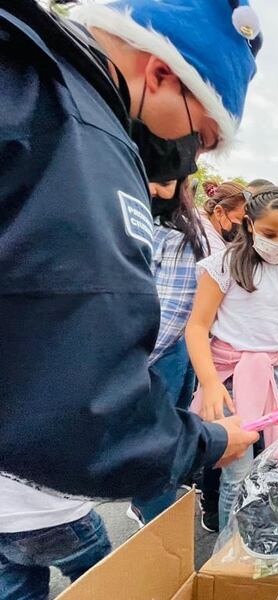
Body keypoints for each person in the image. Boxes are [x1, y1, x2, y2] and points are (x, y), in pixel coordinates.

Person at [0, 0, 259, 502]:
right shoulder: (85, 134)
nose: (192, 158)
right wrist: (201, 443)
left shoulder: (30, 70)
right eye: (200, 138)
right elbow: (84, 404)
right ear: (161, 73)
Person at [186, 186, 278, 530]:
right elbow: (197, 327)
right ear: (250, 224)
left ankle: (259, 537)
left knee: (275, 465)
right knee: (237, 473)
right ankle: (227, 550)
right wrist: (210, 383)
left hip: (273, 382)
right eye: (270, 233)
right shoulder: (224, 264)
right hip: (228, 381)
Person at [126, 178, 212, 526]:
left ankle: (157, 521)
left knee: (156, 440)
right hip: (150, 350)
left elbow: (173, 309)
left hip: (158, 351)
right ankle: (148, 505)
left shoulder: (175, 234)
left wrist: (127, 365)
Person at [198, 181, 249, 256]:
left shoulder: (219, 235)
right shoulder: (209, 244)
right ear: (219, 212)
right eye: (240, 220)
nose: (244, 228)